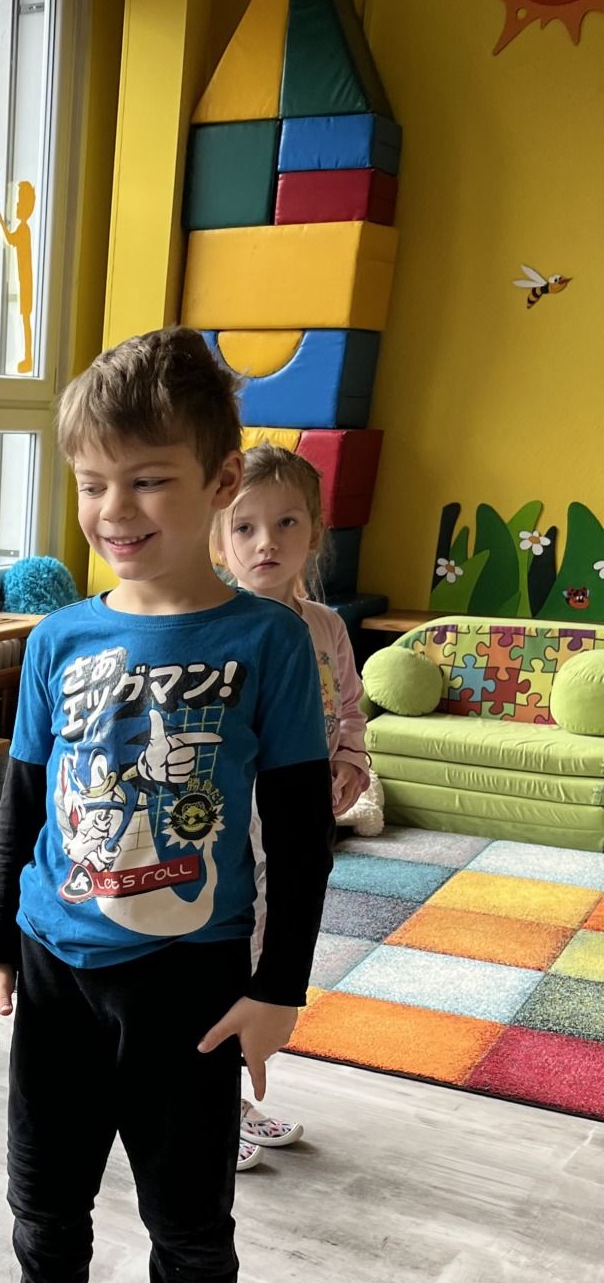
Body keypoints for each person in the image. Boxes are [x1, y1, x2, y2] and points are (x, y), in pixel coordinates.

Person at [0, 326, 334, 1283]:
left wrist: (279, 989)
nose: (113, 508)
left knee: (189, 1220)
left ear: (219, 481)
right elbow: (22, 811)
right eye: (93, 481)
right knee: (44, 1195)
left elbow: (301, 832)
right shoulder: (57, 638)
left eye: (148, 479)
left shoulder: (266, 642)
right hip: (57, 973)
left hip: (193, 989)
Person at [215, 443, 373, 1171]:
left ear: (315, 533)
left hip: (298, 819)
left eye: (286, 523)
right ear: (218, 537)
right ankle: (214, 1109)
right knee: (231, 953)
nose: (266, 543)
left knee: (274, 952)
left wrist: (351, 760)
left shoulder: (326, 626)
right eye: (244, 527)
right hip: (230, 819)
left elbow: (349, 706)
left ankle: (233, 1099)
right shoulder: (218, 625)